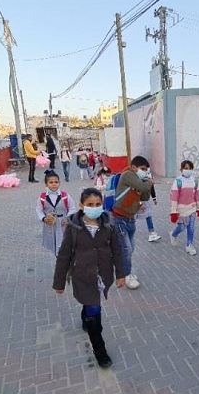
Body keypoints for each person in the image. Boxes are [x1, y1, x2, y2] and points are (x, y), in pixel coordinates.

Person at [53, 188, 125, 368]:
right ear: (81, 206)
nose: (94, 208)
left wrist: (121, 274)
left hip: (102, 275)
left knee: (91, 305)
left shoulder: (108, 225)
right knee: (94, 309)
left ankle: (86, 315)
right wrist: (59, 283)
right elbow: (64, 255)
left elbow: (117, 250)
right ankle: (100, 351)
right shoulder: (73, 227)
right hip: (82, 276)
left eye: (98, 204)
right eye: (90, 205)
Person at [111, 156, 154, 289]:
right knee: (127, 249)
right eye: (143, 169)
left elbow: (145, 196)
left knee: (130, 248)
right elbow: (141, 187)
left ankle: (124, 270)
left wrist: (147, 183)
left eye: (146, 170)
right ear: (134, 167)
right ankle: (126, 275)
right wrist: (148, 183)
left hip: (130, 219)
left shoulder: (139, 179)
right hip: (119, 219)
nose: (144, 172)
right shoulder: (128, 174)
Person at [37, 170, 76, 255]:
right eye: (51, 182)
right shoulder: (42, 197)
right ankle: (57, 257)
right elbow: (39, 210)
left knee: (64, 244)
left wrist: (68, 218)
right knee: (53, 244)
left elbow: (72, 208)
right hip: (50, 224)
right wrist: (44, 218)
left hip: (63, 224)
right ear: (46, 184)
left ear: (59, 183)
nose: (54, 184)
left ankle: (62, 259)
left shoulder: (65, 196)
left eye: (56, 182)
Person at [170, 160, 199, 256]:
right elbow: (174, 198)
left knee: (191, 227)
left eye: (189, 168)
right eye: (185, 168)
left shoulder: (194, 181)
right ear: (181, 170)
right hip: (181, 209)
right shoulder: (178, 181)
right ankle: (173, 234)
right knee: (181, 227)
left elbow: (197, 196)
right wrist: (173, 211)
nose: (187, 170)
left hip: (192, 208)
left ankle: (189, 245)